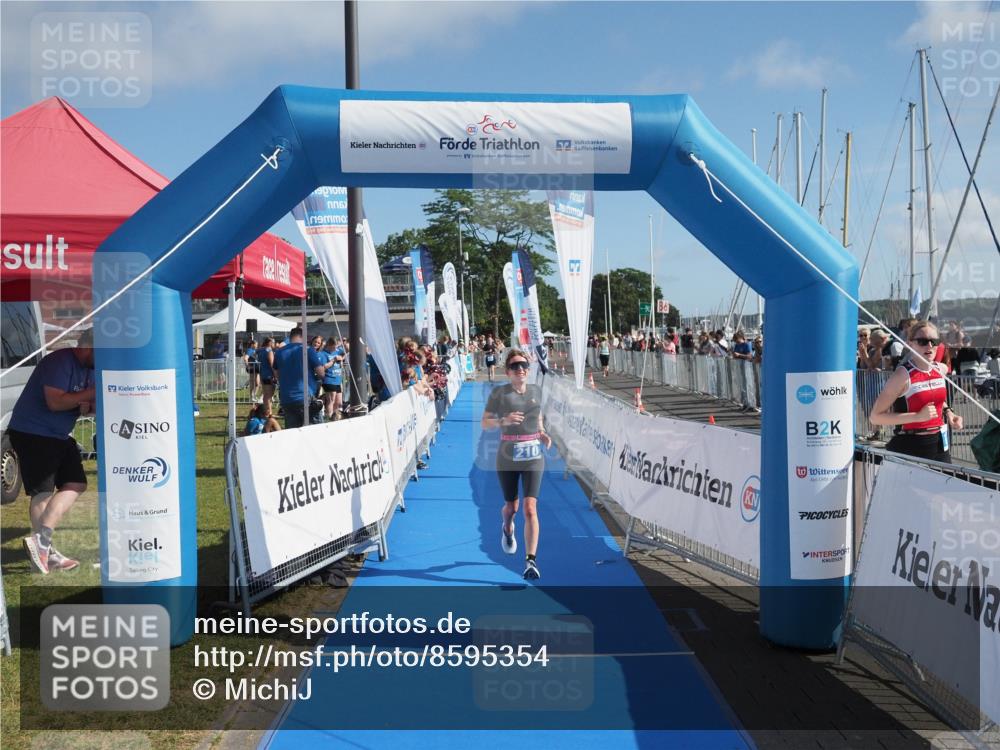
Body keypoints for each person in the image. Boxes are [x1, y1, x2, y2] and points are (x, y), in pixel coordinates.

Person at [9, 329, 95, 574]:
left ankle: (42, 544)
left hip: (58, 434)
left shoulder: (91, 368)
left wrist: (86, 403)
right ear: (88, 347)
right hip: (32, 432)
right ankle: (44, 550)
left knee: (76, 483)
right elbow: (56, 402)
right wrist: (88, 395)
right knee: (43, 493)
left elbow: (86, 407)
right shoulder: (59, 361)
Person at [480, 350, 552, 581]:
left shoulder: (536, 391)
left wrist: (542, 433)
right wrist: (504, 420)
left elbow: (538, 416)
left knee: (530, 508)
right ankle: (507, 527)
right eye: (515, 366)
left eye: (524, 365)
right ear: (508, 371)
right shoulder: (499, 394)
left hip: (533, 456)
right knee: (512, 508)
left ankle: (530, 560)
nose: (521, 369)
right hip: (508, 456)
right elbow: (484, 423)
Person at [869, 321, 963, 463]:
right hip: (910, 446)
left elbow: (934, 399)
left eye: (934, 341)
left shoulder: (941, 369)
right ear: (910, 344)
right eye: (922, 341)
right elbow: (875, 417)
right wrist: (917, 416)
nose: (930, 346)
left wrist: (949, 413)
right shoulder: (902, 375)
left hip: (939, 443)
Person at [272, 327, 326, 428]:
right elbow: (321, 373)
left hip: (286, 398)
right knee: (316, 431)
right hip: (304, 397)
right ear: (302, 336)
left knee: (293, 433)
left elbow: (276, 374)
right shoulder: (308, 349)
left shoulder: (279, 352)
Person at [318, 337, 346, 420]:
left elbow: (346, 351)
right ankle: (329, 417)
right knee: (331, 400)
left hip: (337, 379)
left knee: (339, 402)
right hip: (329, 379)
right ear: (329, 345)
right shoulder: (323, 354)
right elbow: (323, 367)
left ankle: (336, 418)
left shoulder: (337, 351)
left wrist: (341, 359)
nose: (335, 349)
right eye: (333, 347)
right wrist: (334, 360)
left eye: (336, 347)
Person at [258, 337, 277, 413]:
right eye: (273, 342)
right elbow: (272, 364)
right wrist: (276, 375)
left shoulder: (261, 350)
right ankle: (269, 412)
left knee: (266, 394)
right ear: (270, 342)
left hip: (263, 374)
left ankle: (268, 411)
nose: (274, 344)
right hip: (269, 375)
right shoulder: (269, 351)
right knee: (269, 395)